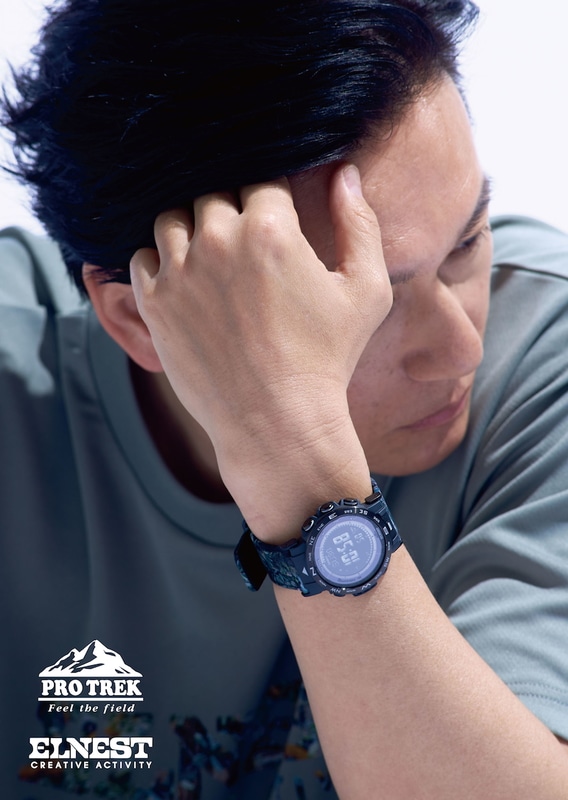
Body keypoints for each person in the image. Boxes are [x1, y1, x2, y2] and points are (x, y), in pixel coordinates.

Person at [1, 0, 567, 798]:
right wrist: (283, 426)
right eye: (367, 303)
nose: (460, 349)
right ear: (139, 317)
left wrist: (300, 479)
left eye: (468, 242)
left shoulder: (548, 357)